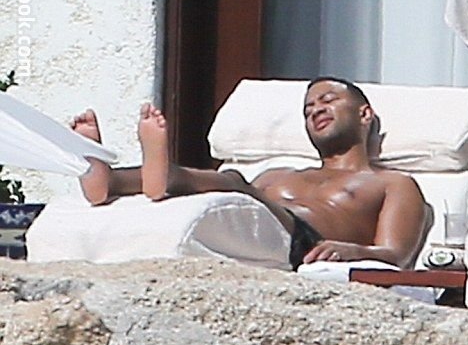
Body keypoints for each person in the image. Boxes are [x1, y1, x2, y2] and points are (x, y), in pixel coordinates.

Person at [69, 76, 431, 269]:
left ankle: (152, 177)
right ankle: (111, 181)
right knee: (232, 184)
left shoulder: (392, 183)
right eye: (308, 110)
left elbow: (396, 254)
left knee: (236, 182)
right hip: (259, 221)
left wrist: (350, 251)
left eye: (328, 101)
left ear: (364, 114)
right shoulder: (279, 174)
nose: (316, 111)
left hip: (307, 241)